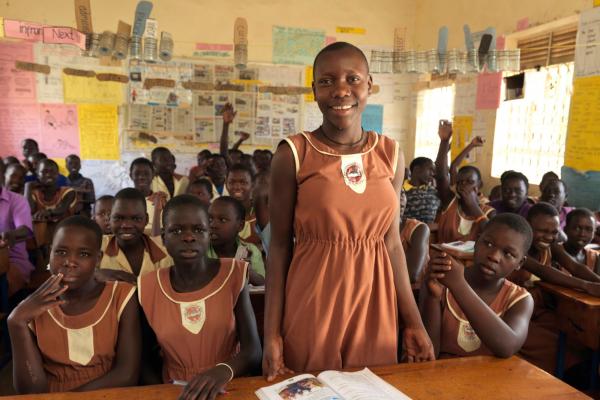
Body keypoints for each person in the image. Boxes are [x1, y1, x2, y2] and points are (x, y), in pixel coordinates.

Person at [263, 42, 434, 378]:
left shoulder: (389, 153)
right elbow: (279, 247)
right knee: (310, 388)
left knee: (371, 388)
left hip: (375, 301)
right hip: (313, 299)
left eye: (352, 79)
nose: (341, 90)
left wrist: (413, 322)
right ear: (314, 90)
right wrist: (272, 333)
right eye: (327, 81)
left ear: (369, 85)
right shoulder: (293, 153)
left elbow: (392, 243)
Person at [138, 195, 261, 397]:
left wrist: (222, 371)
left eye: (198, 230)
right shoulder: (148, 286)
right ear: (163, 238)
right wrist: (164, 391)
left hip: (230, 385)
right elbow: (143, 359)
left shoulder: (233, 274)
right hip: (177, 390)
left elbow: (253, 351)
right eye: (176, 230)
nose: (188, 237)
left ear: (208, 234)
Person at [7, 216, 140, 393]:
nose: (69, 262)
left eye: (83, 254)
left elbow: (126, 375)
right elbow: (31, 391)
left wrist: (68, 398)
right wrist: (16, 322)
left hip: (108, 394)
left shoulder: (121, 295)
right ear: (49, 252)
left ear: (98, 259)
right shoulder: (31, 309)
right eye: (61, 252)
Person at [420, 214, 534, 358]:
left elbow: (507, 347)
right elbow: (429, 355)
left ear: (520, 263)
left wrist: (459, 285)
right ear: (476, 241)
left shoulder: (519, 299)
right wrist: (432, 297)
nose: (494, 256)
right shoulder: (442, 280)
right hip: (440, 376)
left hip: (489, 379)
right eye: (488, 244)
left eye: (508, 253)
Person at [508, 202, 600, 294]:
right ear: (527, 225)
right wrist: (586, 286)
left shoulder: (552, 247)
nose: (549, 237)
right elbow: (540, 270)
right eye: (543, 231)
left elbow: (575, 267)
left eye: (554, 232)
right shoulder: (516, 246)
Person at [435, 122, 494, 243]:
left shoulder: (489, 212)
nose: (463, 185)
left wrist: (473, 206)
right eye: (460, 182)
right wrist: (444, 142)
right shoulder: (450, 202)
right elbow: (442, 175)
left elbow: (492, 236)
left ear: (479, 186)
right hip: (444, 258)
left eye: (469, 182)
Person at [98, 188, 172, 284]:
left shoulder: (164, 257)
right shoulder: (98, 246)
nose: (126, 225)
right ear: (110, 219)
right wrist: (96, 273)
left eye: (136, 219)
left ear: (146, 220)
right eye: (119, 218)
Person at [208, 196, 265, 285]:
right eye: (210, 219)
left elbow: (262, 284)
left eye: (222, 220)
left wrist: (246, 269)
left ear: (240, 226)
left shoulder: (250, 250)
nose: (213, 225)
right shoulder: (201, 250)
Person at [0, 169, 35, 296]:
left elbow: (24, 230)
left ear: (2, 176)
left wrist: (10, 235)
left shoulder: (17, 200)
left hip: (12, 260)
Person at [226, 164, 261, 248]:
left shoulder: (261, 212)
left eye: (243, 182)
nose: (237, 187)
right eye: (232, 182)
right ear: (226, 184)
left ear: (252, 185)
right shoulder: (219, 212)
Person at [400, 188, 429, 287]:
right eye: (395, 192)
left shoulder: (418, 229)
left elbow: (412, 275)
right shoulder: (375, 230)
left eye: (402, 193)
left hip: (413, 293)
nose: (401, 198)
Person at [130, 157, 167, 236]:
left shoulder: (161, 200)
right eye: (137, 173)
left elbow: (165, 229)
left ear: (153, 175)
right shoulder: (125, 201)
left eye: (146, 173)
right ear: (131, 175)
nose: (141, 177)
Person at [402, 157, 440, 224]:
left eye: (433, 171)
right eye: (430, 169)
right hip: (409, 232)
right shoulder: (401, 191)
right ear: (417, 169)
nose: (432, 174)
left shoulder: (433, 191)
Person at [563, 208, 600, 274]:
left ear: (594, 233)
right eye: (577, 228)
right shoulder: (552, 253)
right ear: (565, 229)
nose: (582, 234)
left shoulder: (594, 257)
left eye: (588, 229)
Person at [219, 102, 250, 167]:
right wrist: (226, 124)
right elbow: (224, 152)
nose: (231, 160)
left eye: (237, 158)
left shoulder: (243, 171)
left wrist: (226, 124)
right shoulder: (228, 169)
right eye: (231, 158)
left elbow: (226, 153)